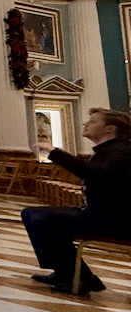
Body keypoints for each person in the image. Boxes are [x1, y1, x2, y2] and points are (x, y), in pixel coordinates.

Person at [24, 108, 131, 294]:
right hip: (100, 214)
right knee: (30, 214)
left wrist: (57, 154)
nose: (86, 124)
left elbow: (98, 175)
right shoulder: (107, 151)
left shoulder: (121, 152)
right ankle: (67, 273)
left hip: (116, 221)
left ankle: (79, 277)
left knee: (46, 220)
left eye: (93, 121)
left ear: (110, 128)